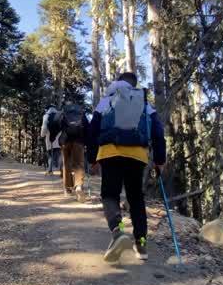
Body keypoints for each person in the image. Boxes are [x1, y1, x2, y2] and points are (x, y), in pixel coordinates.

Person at [85, 72, 167, 263]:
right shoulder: (144, 102)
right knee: (136, 198)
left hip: (110, 152)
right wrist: (160, 160)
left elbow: (93, 128)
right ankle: (141, 244)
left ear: (117, 82)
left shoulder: (108, 99)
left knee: (110, 194)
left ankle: (117, 231)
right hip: (137, 154)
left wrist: (92, 158)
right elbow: (157, 130)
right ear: (134, 84)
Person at [59, 98, 90, 202]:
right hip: (79, 141)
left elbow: (56, 124)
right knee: (79, 164)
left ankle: (67, 189)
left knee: (66, 164)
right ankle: (78, 187)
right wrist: (86, 141)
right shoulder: (81, 113)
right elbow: (87, 126)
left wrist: (55, 137)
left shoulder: (63, 112)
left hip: (66, 140)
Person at [41, 106, 62, 175]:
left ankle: (50, 170)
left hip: (49, 137)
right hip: (59, 138)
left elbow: (44, 127)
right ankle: (62, 170)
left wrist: (42, 135)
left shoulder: (46, 116)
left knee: (50, 154)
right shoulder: (59, 115)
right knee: (59, 154)